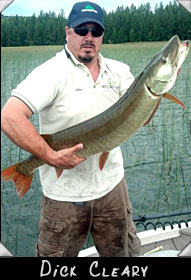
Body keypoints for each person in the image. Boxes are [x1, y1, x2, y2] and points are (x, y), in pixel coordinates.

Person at [1, 1, 143, 257]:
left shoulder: (120, 72)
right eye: (81, 30)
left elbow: (141, 119)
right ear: (68, 32)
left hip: (112, 189)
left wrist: (155, 93)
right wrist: (50, 157)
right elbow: (9, 116)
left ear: (102, 36)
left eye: (96, 31)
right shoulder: (52, 72)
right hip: (64, 197)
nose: (89, 37)